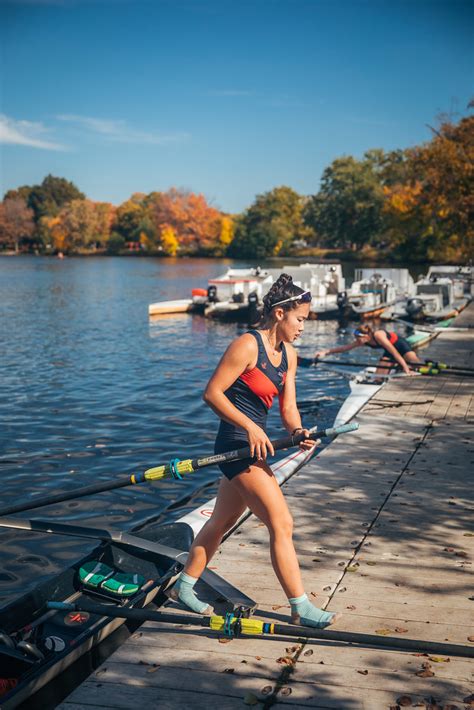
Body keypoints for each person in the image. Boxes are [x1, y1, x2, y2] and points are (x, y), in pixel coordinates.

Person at [169, 274, 339, 629]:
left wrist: (297, 431)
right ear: (280, 314)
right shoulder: (246, 345)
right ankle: (300, 606)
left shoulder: (288, 355)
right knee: (282, 522)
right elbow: (212, 393)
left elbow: (288, 408)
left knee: (221, 520)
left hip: (253, 447)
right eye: (300, 319)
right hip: (235, 444)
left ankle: (184, 587)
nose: (302, 328)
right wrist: (250, 427)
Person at [315, 324, 422, 375]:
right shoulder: (363, 340)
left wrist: (406, 369)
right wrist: (325, 352)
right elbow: (344, 348)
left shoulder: (378, 335)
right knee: (378, 376)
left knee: (416, 364)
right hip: (389, 352)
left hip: (401, 345)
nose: (357, 341)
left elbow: (395, 352)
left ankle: (410, 365)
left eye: (358, 338)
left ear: (366, 336)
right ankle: (397, 367)